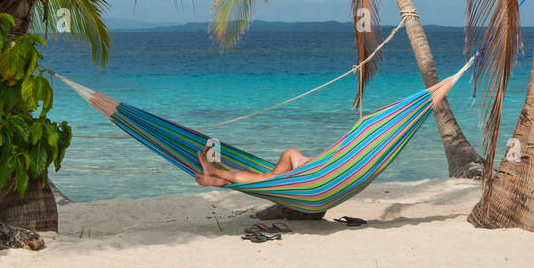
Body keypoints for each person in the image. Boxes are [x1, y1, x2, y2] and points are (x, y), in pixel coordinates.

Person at [193, 72, 458, 188]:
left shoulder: (363, 151)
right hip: (314, 168)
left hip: (316, 176)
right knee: (279, 166)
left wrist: (445, 85)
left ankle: (217, 173)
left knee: (270, 181)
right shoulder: (364, 144)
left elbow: (423, 105)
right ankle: (218, 178)